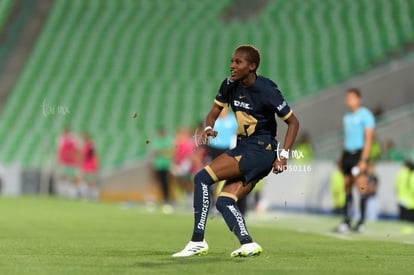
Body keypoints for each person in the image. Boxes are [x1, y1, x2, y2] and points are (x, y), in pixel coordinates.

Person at [172, 45, 299, 258]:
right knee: (224, 201)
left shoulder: (267, 90)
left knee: (202, 178)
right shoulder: (229, 85)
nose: (232, 66)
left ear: (252, 66)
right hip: (245, 148)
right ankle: (248, 243)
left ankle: (197, 240)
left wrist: (283, 156)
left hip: (260, 149)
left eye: (238, 62)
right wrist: (209, 128)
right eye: (232, 61)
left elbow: (293, 122)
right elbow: (213, 113)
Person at [337, 88, 375, 233]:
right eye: (347, 98)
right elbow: (345, 138)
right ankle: (347, 220)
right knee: (347, 186)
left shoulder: (366, 115)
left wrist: (364, 159)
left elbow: (369, 139)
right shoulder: (346, 116)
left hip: (359, 154)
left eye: (351, 98)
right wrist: (341, 158)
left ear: (359, 99)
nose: (348, 101)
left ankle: (361, 222)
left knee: (361, 186)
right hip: (347, 154)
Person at [151, 127, 174, 208]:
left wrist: (160, 151)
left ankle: (168, 198)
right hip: (158, 165)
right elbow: (154, 152)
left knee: (167, 182)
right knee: (161, 182)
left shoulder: (167, 141)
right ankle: (165, 198)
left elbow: (167, 152)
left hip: (165, 165)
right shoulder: (158, 141)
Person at [56, 126, 79, 197]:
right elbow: (59, 150)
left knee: (71, 179)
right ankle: (63, 194)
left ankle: (72, 194)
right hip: (65, 162)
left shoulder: (73, 139)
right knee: (64, 178)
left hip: (71, 162)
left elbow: (76, 150)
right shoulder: (62, 138)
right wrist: (59, 160)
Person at [79, 132, 99, 200]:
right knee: (83, 181)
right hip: (85, 165)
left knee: (91, 182)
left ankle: (94, 198)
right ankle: (85, 197)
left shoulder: (91, 144)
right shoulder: (84, 145)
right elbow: (82, 156)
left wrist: (96, 164)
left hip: (90, 165)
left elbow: (94, 154)